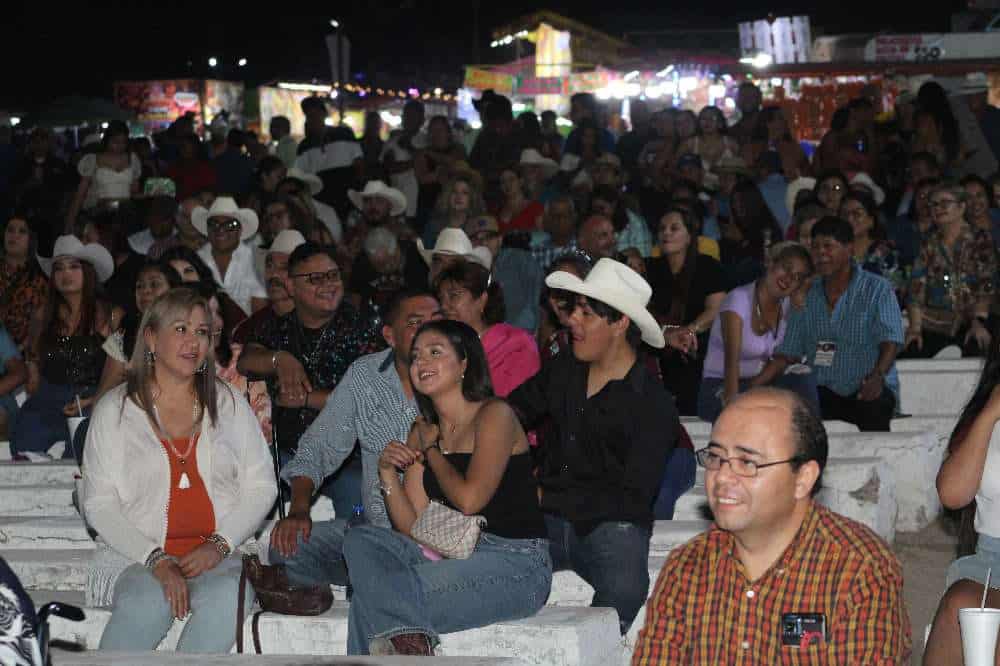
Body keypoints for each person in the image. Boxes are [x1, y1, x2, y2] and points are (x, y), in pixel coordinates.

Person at [633, 388, 911, 663]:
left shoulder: (860, 569)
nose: (722, 477)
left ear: (803, 478)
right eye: (717, 457)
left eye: (748, 462)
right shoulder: (686, 568)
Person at [80, 288, 276, 653]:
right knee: (146, 602)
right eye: (181, 329)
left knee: (227, 598)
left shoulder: (229, 402)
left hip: (221, 554)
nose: (194, 342)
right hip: (136, 555)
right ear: (151, 338)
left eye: (202, 332)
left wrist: (219, 545)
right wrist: (155, 559)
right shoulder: (115, 410)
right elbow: (98, 503)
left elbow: (262, 485)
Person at [342, 319, 552, 656]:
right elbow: (413, 529)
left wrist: (432, 452)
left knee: (371, 599)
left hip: (515, 565)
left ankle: (408, 644)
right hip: (449, 556)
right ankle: (411, 641)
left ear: (465, 363)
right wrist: (386, 475)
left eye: (434, 352)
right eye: (415, 356)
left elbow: (470, 500)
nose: (421, 362)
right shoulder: (423, 429)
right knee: (359, 539)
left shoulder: (495, 415)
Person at [508, 258, 678, 635]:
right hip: (547, 517)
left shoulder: (653, 403)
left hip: (605, 524)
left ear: (620, 323)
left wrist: (543, 494)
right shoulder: (565, 369)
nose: (572, 321)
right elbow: (512, 412)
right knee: (486, 551)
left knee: (625, 585)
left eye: (587, 313)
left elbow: (634, 496)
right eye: (574, 311)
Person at [268, 289, 442, 586]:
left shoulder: (455, 376)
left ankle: (374, 579)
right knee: (286, 548)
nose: (430, 331)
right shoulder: (366, 375)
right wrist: (298, 510)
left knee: (378, 559)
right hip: (373, 530)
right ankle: (369, 577)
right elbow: (319, 446)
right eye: (415, 322)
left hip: (435, 537)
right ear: (390, 335)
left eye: (437, 321)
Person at [238, 243, 380, 518]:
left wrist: (305, 399)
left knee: (357, 510)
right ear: (291, 286)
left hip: (346, 460)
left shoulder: (362, 327)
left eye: (333, 275)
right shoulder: (279, 326)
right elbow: (246, 360)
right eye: (316, 278)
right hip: (284, 451)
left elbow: (369, 396)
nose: (328, 284)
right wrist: (279, 359)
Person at [758, 217, 904, 431]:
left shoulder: (877, 288)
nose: (820, 254)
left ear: (849, 248)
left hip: (866, 385)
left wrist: (877, 376)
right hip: (822, 388)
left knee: (874, 404)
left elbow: (891, 339)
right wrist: (755, 384)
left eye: (828, 246)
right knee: (789, 407)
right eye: (815, 247)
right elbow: (789, 352)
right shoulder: (806, 294)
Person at [924, 325, 1000, 664]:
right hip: (992, 563)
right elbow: (952, 495)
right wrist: (989, 414)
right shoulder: (988, 413)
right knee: (959, 604)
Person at [11, 235, 120, 459]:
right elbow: (32, 353)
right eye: (59, 268)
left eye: (74, 267)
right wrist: (32, 371)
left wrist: (95, 398)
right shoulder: (43, 315)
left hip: (94, 397)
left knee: (85, 441)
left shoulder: (111, 315)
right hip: (48, 398)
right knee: (24, 435)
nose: (65, 274)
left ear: (88, 272)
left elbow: (119, 368)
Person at [698, 242, 817, 422]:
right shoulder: (738, 300)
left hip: (760, 384)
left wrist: (800, 300)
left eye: (797, 277)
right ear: (770, 263)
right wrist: (734, 401)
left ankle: (812, 441)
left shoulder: (788, 307)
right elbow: (731, 365)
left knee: (803, 378)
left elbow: (790, 356)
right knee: (759, 407)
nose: (789, 279)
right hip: (721, 386)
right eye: (786, 268)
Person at [646, 207, 726, 416]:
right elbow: (641, 312)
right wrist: (666, 334)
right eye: (662, 229)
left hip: (696, 350)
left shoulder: (708, 266)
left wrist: (689, 330)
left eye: (674, 228)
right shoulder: (649, 268)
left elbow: (715, 309)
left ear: (690, 236)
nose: (666, 233)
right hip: (657, 347)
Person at [905, 185, 997, 358]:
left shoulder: (980, 240)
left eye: (945, 203)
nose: (938, 208)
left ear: (962, 207)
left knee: (977, 345)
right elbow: (916, 289)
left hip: (975, 318)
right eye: (933, 205)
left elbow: (986, 284)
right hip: (937, 321)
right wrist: (915, 328)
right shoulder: (929, 244)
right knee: (912, 350)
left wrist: (978, 321)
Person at [436, 259, 540, 397]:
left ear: (482, 300)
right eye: (441, 299)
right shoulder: (442, 347)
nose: (443, 306)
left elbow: (518, 408)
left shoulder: (516, 345)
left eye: (454, 296)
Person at [465, 215, 544, 332]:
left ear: (500, 239)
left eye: (489, 237)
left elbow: (536, 304)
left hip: (523, 335)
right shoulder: (464, 273)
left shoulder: (521, 260)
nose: (483, 243)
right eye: (476, 238)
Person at [192, 197, 267, 317]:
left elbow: (259, 315)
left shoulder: (256, 259)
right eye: (214, 224)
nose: (221, 229)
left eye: (231, 224)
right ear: (207, 229)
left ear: (240, 230)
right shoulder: (196, 260)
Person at [65, 121, 140, 231]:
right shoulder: (92, 160)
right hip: (100, 214)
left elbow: (134, 191)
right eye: (115, 142)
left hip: (125, 215)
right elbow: (80, 193)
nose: (119, 146)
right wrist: (70, 222)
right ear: (107, 140)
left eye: (123, 142)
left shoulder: (133, 159)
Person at [839, 190, 905, 300]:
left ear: (871, 220)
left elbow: (894, 294)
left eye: (857, 214)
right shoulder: (834, 252)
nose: (849, 219)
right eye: (845, 215)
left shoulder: (886, 253)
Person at [349, 225, 429, 313]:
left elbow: (425, 299)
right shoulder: (362, 262)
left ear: (395, 252)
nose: (383, 269)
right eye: (376, 265)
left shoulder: (416, 257)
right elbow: (354, 296)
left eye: (384, 263)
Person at [0, 214, 48, 349]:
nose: (14, 235)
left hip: (18, 357)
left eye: (22, 231)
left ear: (31, 240)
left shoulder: (38, 283)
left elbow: (37, 332)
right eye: (10, 230)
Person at [381, 99, 426, 220]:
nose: (410, 119)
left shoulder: (428, 140)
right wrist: (415, 161)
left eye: (414, 116)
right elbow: (389, 168)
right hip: (397, 204)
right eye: (408, 115)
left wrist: (410, 150)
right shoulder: (392, 142)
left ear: (422, 120)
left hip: (424, 204)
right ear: (403, 117)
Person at [743, 106, 811, 180]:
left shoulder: (793, 147)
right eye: (780, 118)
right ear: (767, 122)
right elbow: (746, 173)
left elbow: (807, 173)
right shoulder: (751, 147)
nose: (785, 121)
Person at [421, 172, 485, 247]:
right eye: (454, 191)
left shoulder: (476, 228)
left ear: (472, 198)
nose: (458, 196)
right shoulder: (433, 226)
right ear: (448, 195)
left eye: (465, 193)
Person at [591, 185, 652, 258]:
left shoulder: (636, 224)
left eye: (602, 208)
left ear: (613, 205)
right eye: (595, 209)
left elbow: (643, 258)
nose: (598, 213)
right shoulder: (591, 224)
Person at [531, 194, 579, 270]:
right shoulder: (535, 252)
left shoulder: (582, 249)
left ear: (573, 218)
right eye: (555, 216)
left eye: (564, 216)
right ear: (546, 220)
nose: (559, 221)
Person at [164, 135, 217, 202]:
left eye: (186, 145)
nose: (183, 149)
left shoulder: (205, 168)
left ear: (195, 147)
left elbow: (209, 193)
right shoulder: (173, 168)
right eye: (182, 146)